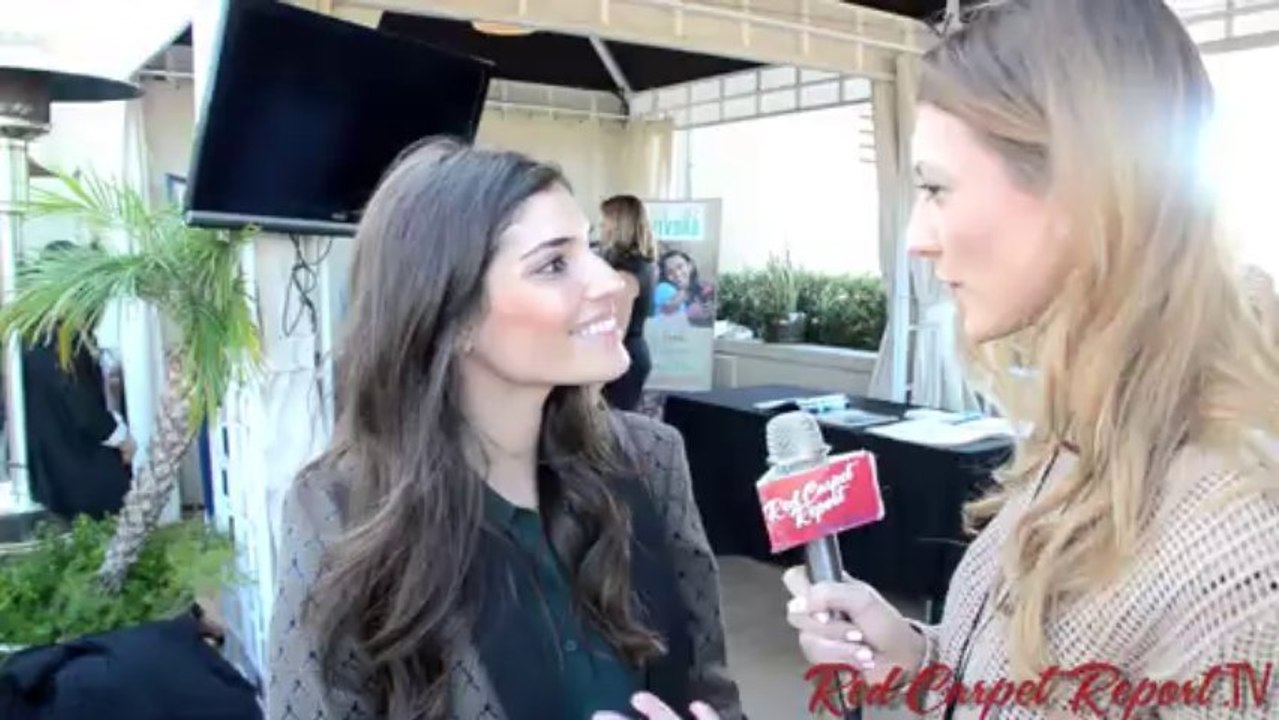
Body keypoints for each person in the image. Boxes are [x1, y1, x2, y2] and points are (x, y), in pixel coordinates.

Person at [621, 0, 1279, 718]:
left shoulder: (1243, 557)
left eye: (936, 188)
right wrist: (919, 662)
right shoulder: (1094, 426)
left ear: (1086, 189)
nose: (915, 239)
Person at [266, 137, 743, 720]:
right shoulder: (341, 506)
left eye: (590, 247)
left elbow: (711, 690)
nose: (610, 282)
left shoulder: (653, 459)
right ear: (452, 314)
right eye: (553, 264)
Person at [20, 241, 135, 521]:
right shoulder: (60, 338)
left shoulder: (31, 333)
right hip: (81, 470)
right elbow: (81, 405)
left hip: (51, 471)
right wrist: (121, 438)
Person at [598, 195, 657, 412]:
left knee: (613, 429)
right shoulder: (643, 264)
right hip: (632, 353)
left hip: (625, 359)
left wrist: (595, 379)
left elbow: (616, 332)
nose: (601, 226)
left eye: (605, 220)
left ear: (619, 224)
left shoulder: (626, 271)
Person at [653, 250, 715, 328]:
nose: (677, 274)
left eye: (680, 267)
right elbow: (662, 318)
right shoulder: (664, 291)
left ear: (690, 266)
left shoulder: (707, 290)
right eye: (670, 272)